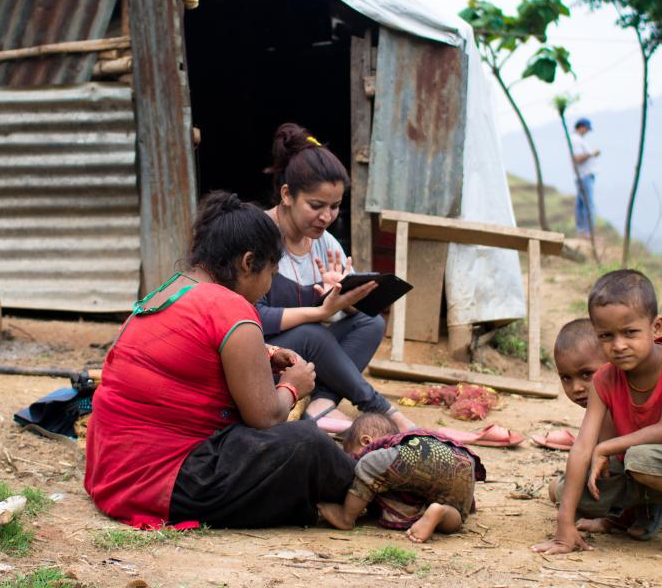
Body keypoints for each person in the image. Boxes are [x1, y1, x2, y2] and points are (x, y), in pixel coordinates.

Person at [84, 192, 354, 529]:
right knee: (308, 442)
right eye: (270, 272)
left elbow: (194, 357)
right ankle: (373, 486)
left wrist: (265, 355)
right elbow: (267, 418)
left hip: (111, 475)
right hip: (164, 482)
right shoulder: (231, 307)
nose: (268, 286)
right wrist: (292, 386)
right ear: (248, 262)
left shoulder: (169, 290)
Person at [533, 269, 662, 556]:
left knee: (639, 458)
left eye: (630, 332)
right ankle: (649, 508)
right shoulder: (604, 379)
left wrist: (605, 447)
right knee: (570, 489)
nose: (618, 345)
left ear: (656, 327)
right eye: (606, 336)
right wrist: (564, 524)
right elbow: (582, 448)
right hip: (645, 465)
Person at [259, 122, 413, 430]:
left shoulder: (324, 242)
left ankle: (322, 402)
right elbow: (252, 317)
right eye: (316, 206)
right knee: (312, 333)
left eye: (335, 207)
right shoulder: (259, 235)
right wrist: (319, 311)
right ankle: (381, 408)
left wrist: (342, 298)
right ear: (287, 195)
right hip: (265, 358)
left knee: (370, 322)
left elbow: (349, 314)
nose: (327, 217)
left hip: (309, 358)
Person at [544, 317, 662, 537]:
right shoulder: (600, 408)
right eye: (566, 378)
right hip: (627, 487)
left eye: (587, 374)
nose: (576, 387)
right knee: (560, 489)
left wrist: (605, 518)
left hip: (661, 488)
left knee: (559, 490)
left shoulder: (626, 402)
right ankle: (625, 515)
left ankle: (642, 513)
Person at [317, 412, 484, 543]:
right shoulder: (397, 466)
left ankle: (346, 518)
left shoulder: (384, 451)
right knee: (457, 517)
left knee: (366, 466)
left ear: (366, 441)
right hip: (463, 460)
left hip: (421, 451)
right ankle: (439, 511)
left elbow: (367, 470)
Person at [571, 117, 600, 238]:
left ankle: (582, 231)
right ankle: (587, 232)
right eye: (587, 129)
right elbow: (577, 159)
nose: (587, 132)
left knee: (582, 204)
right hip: (584, 175)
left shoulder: (577, 140)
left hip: (582, 176)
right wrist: (592, 154)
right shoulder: (577, 141)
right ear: (582, 127)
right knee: (588, 204)